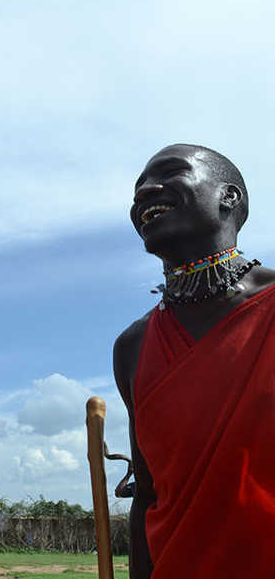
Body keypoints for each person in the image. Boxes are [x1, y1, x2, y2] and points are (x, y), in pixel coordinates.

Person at [114, 144, 275, 578]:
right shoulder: (133, 344)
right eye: (138, 187)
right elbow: (148, 495)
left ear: (229, 197)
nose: (145, 191)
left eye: (169, 173)